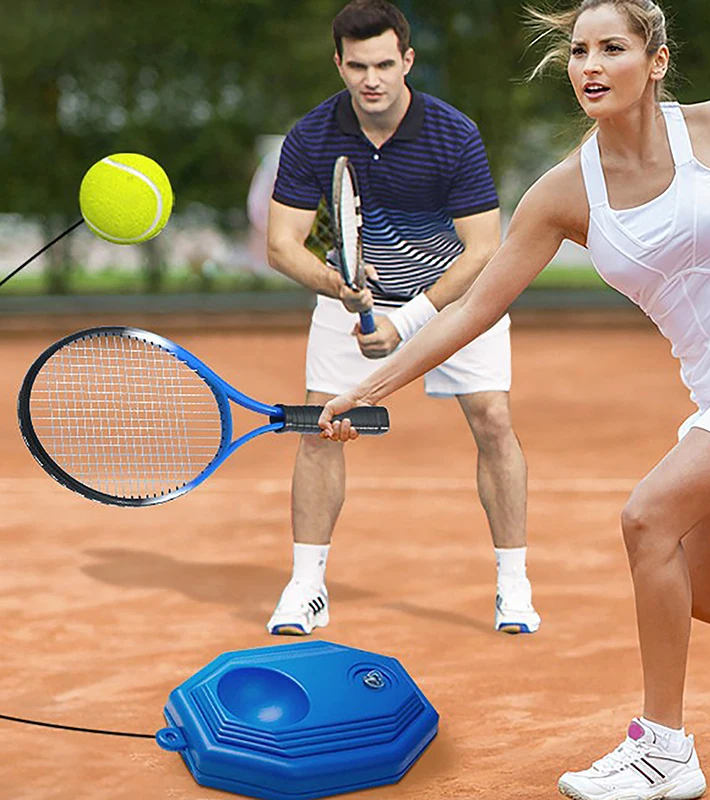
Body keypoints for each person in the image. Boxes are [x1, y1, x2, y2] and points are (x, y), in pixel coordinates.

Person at [318, 1, 710, 798]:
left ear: (656, 62)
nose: (590, 65)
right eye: (579, 51)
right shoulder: (564, 194)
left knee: (648, 519)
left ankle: (664, 749)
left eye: (613, 47)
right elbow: (475, 309)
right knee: (709, 590)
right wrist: (369, 384)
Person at [266, 0, 539, 637]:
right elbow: (283, 245)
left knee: (493, 419)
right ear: (339, 63)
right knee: (319, 424)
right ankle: (307, 586)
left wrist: (410, 320)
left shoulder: (453, 134)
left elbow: (483, 250)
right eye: (357, 65)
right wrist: (338, 287)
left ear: (407, 60)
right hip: (353, 298)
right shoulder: (311, 136)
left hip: (453, 298)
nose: (372, 79)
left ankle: (513, 585)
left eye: (385, 63)